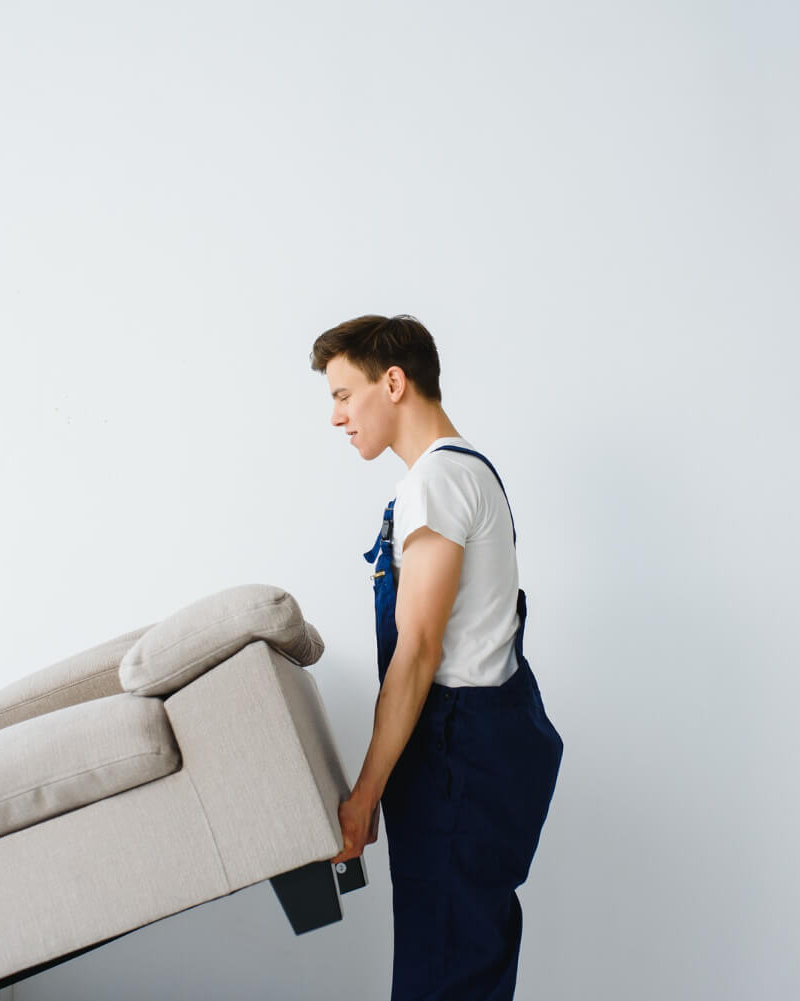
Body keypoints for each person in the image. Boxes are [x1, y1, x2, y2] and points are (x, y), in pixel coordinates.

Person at [310, 314, 564, 1001]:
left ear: (392, 382)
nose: (336, 416)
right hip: (474, 754)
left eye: (342, 394)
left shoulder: (438, 481)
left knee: (444, 970)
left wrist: (364, 798)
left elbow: (418, 652)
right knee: (458, 959)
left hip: (458, 759)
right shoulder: (458, 474)